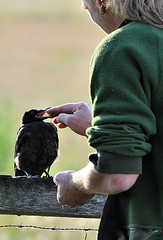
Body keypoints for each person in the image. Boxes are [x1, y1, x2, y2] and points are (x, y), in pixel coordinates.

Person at [47, 0, 163, 239]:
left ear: (102, 3)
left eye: (85, 6)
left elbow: (118, 175)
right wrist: (100, 126)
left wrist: (76, 184)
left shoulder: (122, 47)